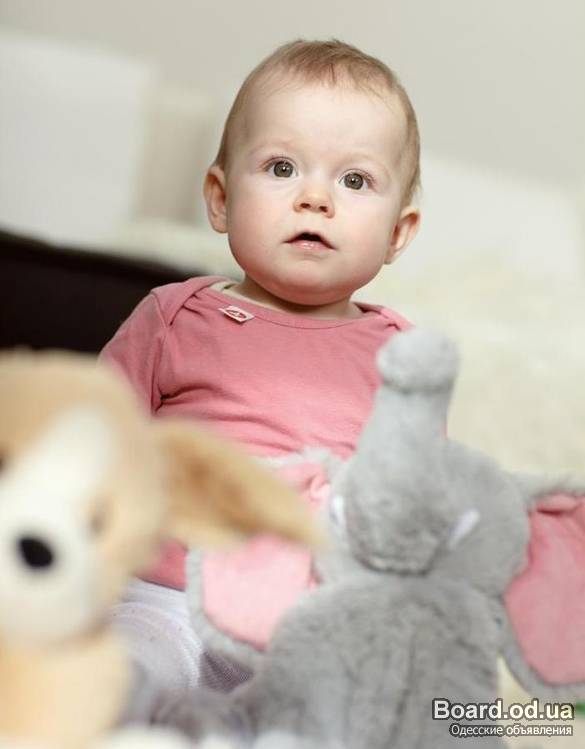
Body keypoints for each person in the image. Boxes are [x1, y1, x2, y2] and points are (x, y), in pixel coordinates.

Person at [100, 38, 421, 721]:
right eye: (281, 167)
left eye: (354, 181)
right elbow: (91, 441)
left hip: (307, 627)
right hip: (169, 598)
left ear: (398, 232)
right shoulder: (176, 316)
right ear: (220, 199)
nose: (314, 199)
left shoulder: (402, 358)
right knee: (124, 669)